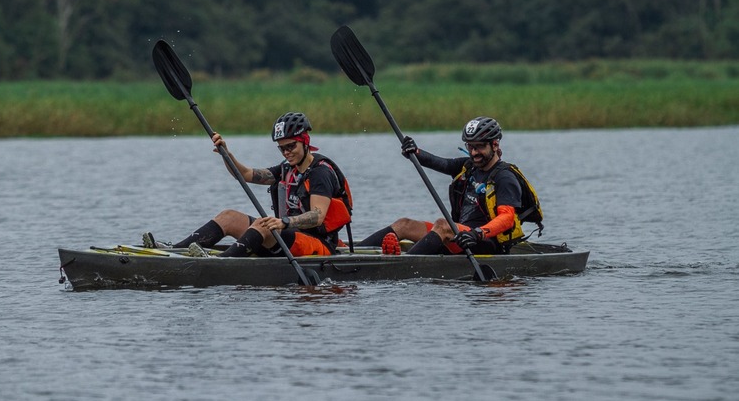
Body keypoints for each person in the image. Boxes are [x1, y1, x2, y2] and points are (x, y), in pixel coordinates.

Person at [144, 112, 352, 257]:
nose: (286, 152)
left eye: (291, 146)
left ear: (305, 141)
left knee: (264, 224)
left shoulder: (320, 172)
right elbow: (244, 174)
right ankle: (176, 251)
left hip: (317, 244)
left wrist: (283, 222)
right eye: (282, 148)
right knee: (229, 217)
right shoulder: (287, 168)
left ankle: (222, 262)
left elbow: (317, 216)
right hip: (284, 238)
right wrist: (226, 153)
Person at [358, 116, 530, 256]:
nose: (474, 153)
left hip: (485, 242)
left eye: (480, 147)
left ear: (495, 144)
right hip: (459, 236)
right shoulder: (468, 167)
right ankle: (351, 254)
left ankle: (402, 265)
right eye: (470, 147)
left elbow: (507, 219)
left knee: (443, 225)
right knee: (404, 224)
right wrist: (415, 152)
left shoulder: (505, 177)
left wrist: (477, 233)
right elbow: (441, 163)